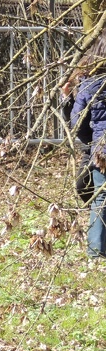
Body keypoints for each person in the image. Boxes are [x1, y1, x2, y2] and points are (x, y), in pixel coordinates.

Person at [70, 31, 106, 259]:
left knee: (102, 197)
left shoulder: (89, 82)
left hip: (102, 148)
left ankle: (96, 250)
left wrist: (90, 143)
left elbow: (78, 121)